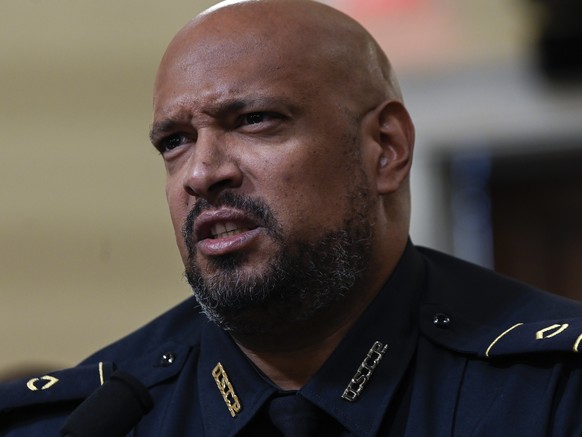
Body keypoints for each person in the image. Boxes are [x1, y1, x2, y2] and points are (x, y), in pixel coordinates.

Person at [2, 0, 582, 435]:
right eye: (175, 140)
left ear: (386, 149)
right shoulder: (88, 421)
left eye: (255, 120)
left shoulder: (553, 393)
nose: (202, 173)